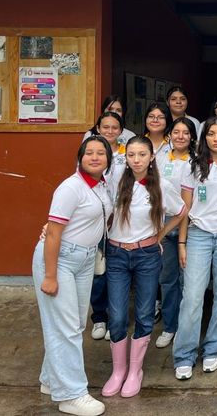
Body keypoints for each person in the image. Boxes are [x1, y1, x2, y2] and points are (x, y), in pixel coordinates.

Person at [102, 136, 187, 398]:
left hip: (147, 255)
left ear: (152, 157)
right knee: (116, 316)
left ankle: (135, 370)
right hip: (116, 254)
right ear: (125, 158)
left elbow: (182, 211)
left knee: (144, 313)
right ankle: (118, 371)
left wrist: (159, 236)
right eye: (131, 155)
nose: (136, 160)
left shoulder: (160, 185)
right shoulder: (115, 181)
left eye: (142, 155)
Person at [34, 136, 112, 416]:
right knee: (66, 326)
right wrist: (50, 275)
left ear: (108, 159)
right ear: (80, 158)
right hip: (60, 260)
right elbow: (53, 232)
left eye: (100, 153)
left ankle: (51, 379)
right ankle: (71, 394)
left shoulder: (103, 185)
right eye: (88, 152)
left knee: (75, 323)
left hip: (85, 259)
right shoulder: (71, 187)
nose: (94, 157)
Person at [173, 116, 217, 380]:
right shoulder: (193, 166)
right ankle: (184, 354)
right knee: (192, 295)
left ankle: (214, 347)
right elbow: (184, 209)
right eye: (211, 133)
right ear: (204, 138)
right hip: (198, 234)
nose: (216, 138)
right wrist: (182, 242)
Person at [153, 118, 196, 350]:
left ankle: (187, 327)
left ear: (192, 137)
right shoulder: (159, 158)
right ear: (170, 135)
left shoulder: (197, 162)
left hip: (189, 225)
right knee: (168, 278)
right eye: (176, 132)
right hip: (164, 224)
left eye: (185, 132)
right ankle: (170, 326)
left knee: (188, 280)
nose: (180, 136)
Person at [86, 112, 128, 342]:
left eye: (115, 127)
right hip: (97, 220)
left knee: (116, 271)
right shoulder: (92, 152)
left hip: (121, 220)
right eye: (105, 127)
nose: (110, 131)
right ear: (98, 128)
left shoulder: (126, 154)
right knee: (98, 271)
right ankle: (99, 316)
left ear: (121, 130)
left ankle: (116, 319)